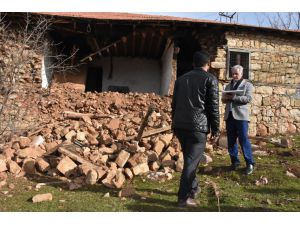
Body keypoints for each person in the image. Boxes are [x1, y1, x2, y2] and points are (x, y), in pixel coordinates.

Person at [171, 51, 220, 207]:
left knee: (190, 160)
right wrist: (216, 129)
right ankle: (183, 198)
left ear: (193, 64)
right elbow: (213, 107)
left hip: (180, 126)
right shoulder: (210, 79)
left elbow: (174, 105)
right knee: (191, 163)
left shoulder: (180, 79)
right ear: (208, 64)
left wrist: (176, 122)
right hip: (197, 128)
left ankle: (194, 188)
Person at [222, 65, 255, 175]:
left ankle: (250, 163)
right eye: (233, 74)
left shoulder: (248, 85)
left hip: (241, 117)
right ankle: (235, 162)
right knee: (231, 140)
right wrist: (225, 98)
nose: (234, 76)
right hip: (229, 116)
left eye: (236, 74)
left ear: (241, 74)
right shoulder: (228, 86)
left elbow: (248, 99)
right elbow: (224, 100)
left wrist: (234, 98)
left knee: (243, 139)